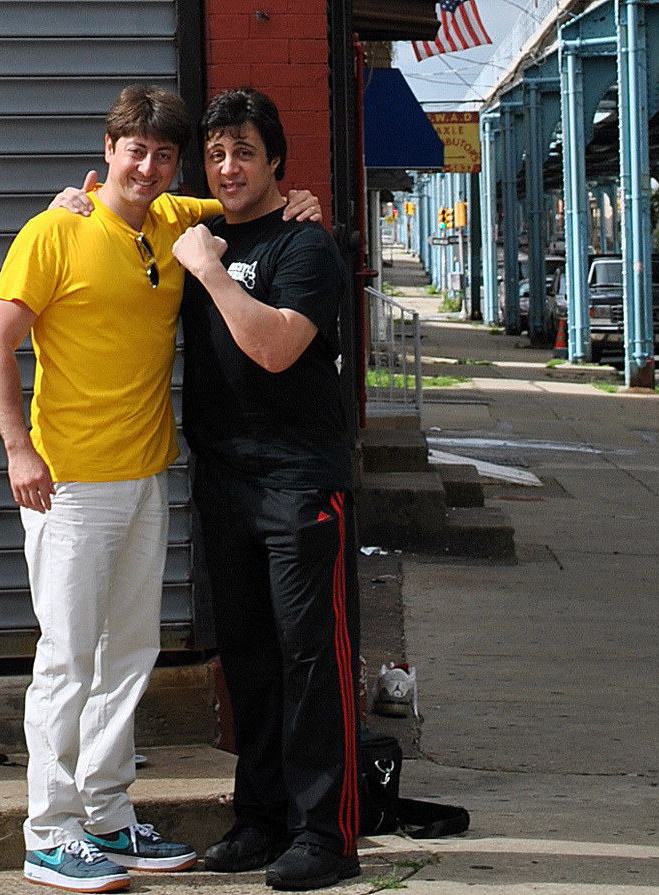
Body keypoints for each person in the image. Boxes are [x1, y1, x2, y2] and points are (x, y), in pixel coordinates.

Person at [0, 84, 321, 895]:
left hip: (144, 475)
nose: (150, 165)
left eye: (166, 154)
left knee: (128, 655)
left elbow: (249, 199)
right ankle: (49, 831)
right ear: (107, 150)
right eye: (136, 149)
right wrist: (17, 449)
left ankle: (105, 812)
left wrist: (297, 196)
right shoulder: (54, 230)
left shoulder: (173, 220)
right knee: (67, 658)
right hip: (67, 484)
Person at [171, 87, 360, 892]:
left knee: (310, 657)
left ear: (277, 159)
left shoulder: (304, 247)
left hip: (299, 481)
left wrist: (211, 273)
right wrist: (74, 197)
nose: (228, 166)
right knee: (245, 655)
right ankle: (261, 816)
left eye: (244, 151)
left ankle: (327, 833)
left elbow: (278, 348)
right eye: (215, 154)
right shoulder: (198, 227)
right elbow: (124, 196)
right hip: (224, 481)